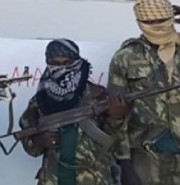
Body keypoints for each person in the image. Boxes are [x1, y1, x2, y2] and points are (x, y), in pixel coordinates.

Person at [108, 0, 180, 185]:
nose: (157, 26)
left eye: (162, 20)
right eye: (151, 22)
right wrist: (125, 164)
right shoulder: (125, 57)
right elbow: (117, 114)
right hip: (147, 157)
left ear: (172, 17)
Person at [19, 39, 128, 185]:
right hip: (54, 178)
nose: (61, 68)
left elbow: (117, 144)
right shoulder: (41, 101)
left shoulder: (98, 95)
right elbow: (31, 147)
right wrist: (38, 140)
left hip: (94, 179)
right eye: (55, 63)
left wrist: (117, 117)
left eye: (67, 62)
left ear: (77, 62)